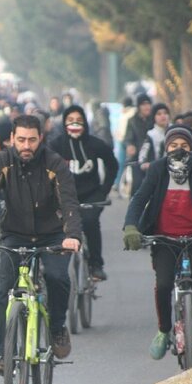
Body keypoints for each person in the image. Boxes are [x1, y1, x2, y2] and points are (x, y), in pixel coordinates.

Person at [0, 115, 82, 374]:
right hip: (15, 234)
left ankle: (57, 327)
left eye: (32, 140)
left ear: (40, 140)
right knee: (3, 292)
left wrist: (73, 235)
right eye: (21, 139)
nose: (26, 145)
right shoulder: (2, 162)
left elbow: (69, 202)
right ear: (12, 139)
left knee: (57, 277)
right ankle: (4, 354)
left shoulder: (55, 163)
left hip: (53, 235)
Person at [123, 125, 192, 360]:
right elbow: (139, 199)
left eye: (184, 146)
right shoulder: (158, 170)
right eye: (173, 146)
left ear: (191, 148)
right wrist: (131, 226)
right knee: (164, 284)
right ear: (165, 148)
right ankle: (163, 331)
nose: (178, 150)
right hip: (165, 239)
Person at [49, 105, 118, 281]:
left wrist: (104, 190)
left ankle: (96, 265)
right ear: (64, 123)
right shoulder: (56, 145)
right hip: (64, 195)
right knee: (59, 226)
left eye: (79, 121)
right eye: (70, 120)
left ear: (85, 123)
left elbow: (113, 164)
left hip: (92, 195)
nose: (75, 124)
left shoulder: (94, 144)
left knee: (90, 222)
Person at [124, 94, 153, 197]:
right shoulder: (132, 120)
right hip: (136, 158)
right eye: (144, 104)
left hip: (151, 158)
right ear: (139, 106)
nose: (147, 107)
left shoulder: (153, 120)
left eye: (148, 104)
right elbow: (128, 138)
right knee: (136, 186)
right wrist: (130, 145)